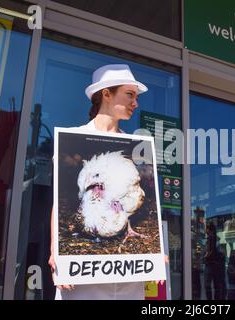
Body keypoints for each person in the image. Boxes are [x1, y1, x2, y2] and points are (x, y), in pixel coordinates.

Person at [48, 64, 157, 300]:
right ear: (106, 94)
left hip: (127, 281)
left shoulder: (136, 147)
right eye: (130, 95)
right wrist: (55, 250)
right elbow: (58, 203)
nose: (135, 103)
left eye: (136, 97)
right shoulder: (70, 138)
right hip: (83, 282)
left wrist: (154, 256)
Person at [203, 222, 226, 300]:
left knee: (207, 285)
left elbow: (210, 251)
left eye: (206, 228)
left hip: (210, 264)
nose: (205, 230)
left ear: (209, 230)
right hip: (217, 265)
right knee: (216, 285)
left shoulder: (210, 238)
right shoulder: (217, 238)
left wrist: (204, 257)